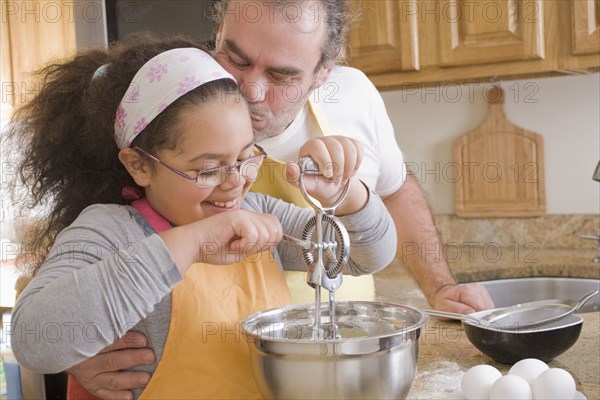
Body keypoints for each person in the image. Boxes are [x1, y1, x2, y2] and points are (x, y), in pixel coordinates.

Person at [55, 1, 496, 397]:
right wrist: (76, 343)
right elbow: (66, 272)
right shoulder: (170, 93)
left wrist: (434, 280)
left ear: (324, 74)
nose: (249, 91)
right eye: (235, 58)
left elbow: (385, 208)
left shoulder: (349, 102)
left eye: (282, 75)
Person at [7, 34, 397, 399]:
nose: (234, 184)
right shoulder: (108, 232)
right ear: (139, 166)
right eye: (208, 168)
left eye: (246, 158)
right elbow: (34, 340)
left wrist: (348, 197)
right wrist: (192, 242)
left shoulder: (255, 211)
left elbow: (365, 254)